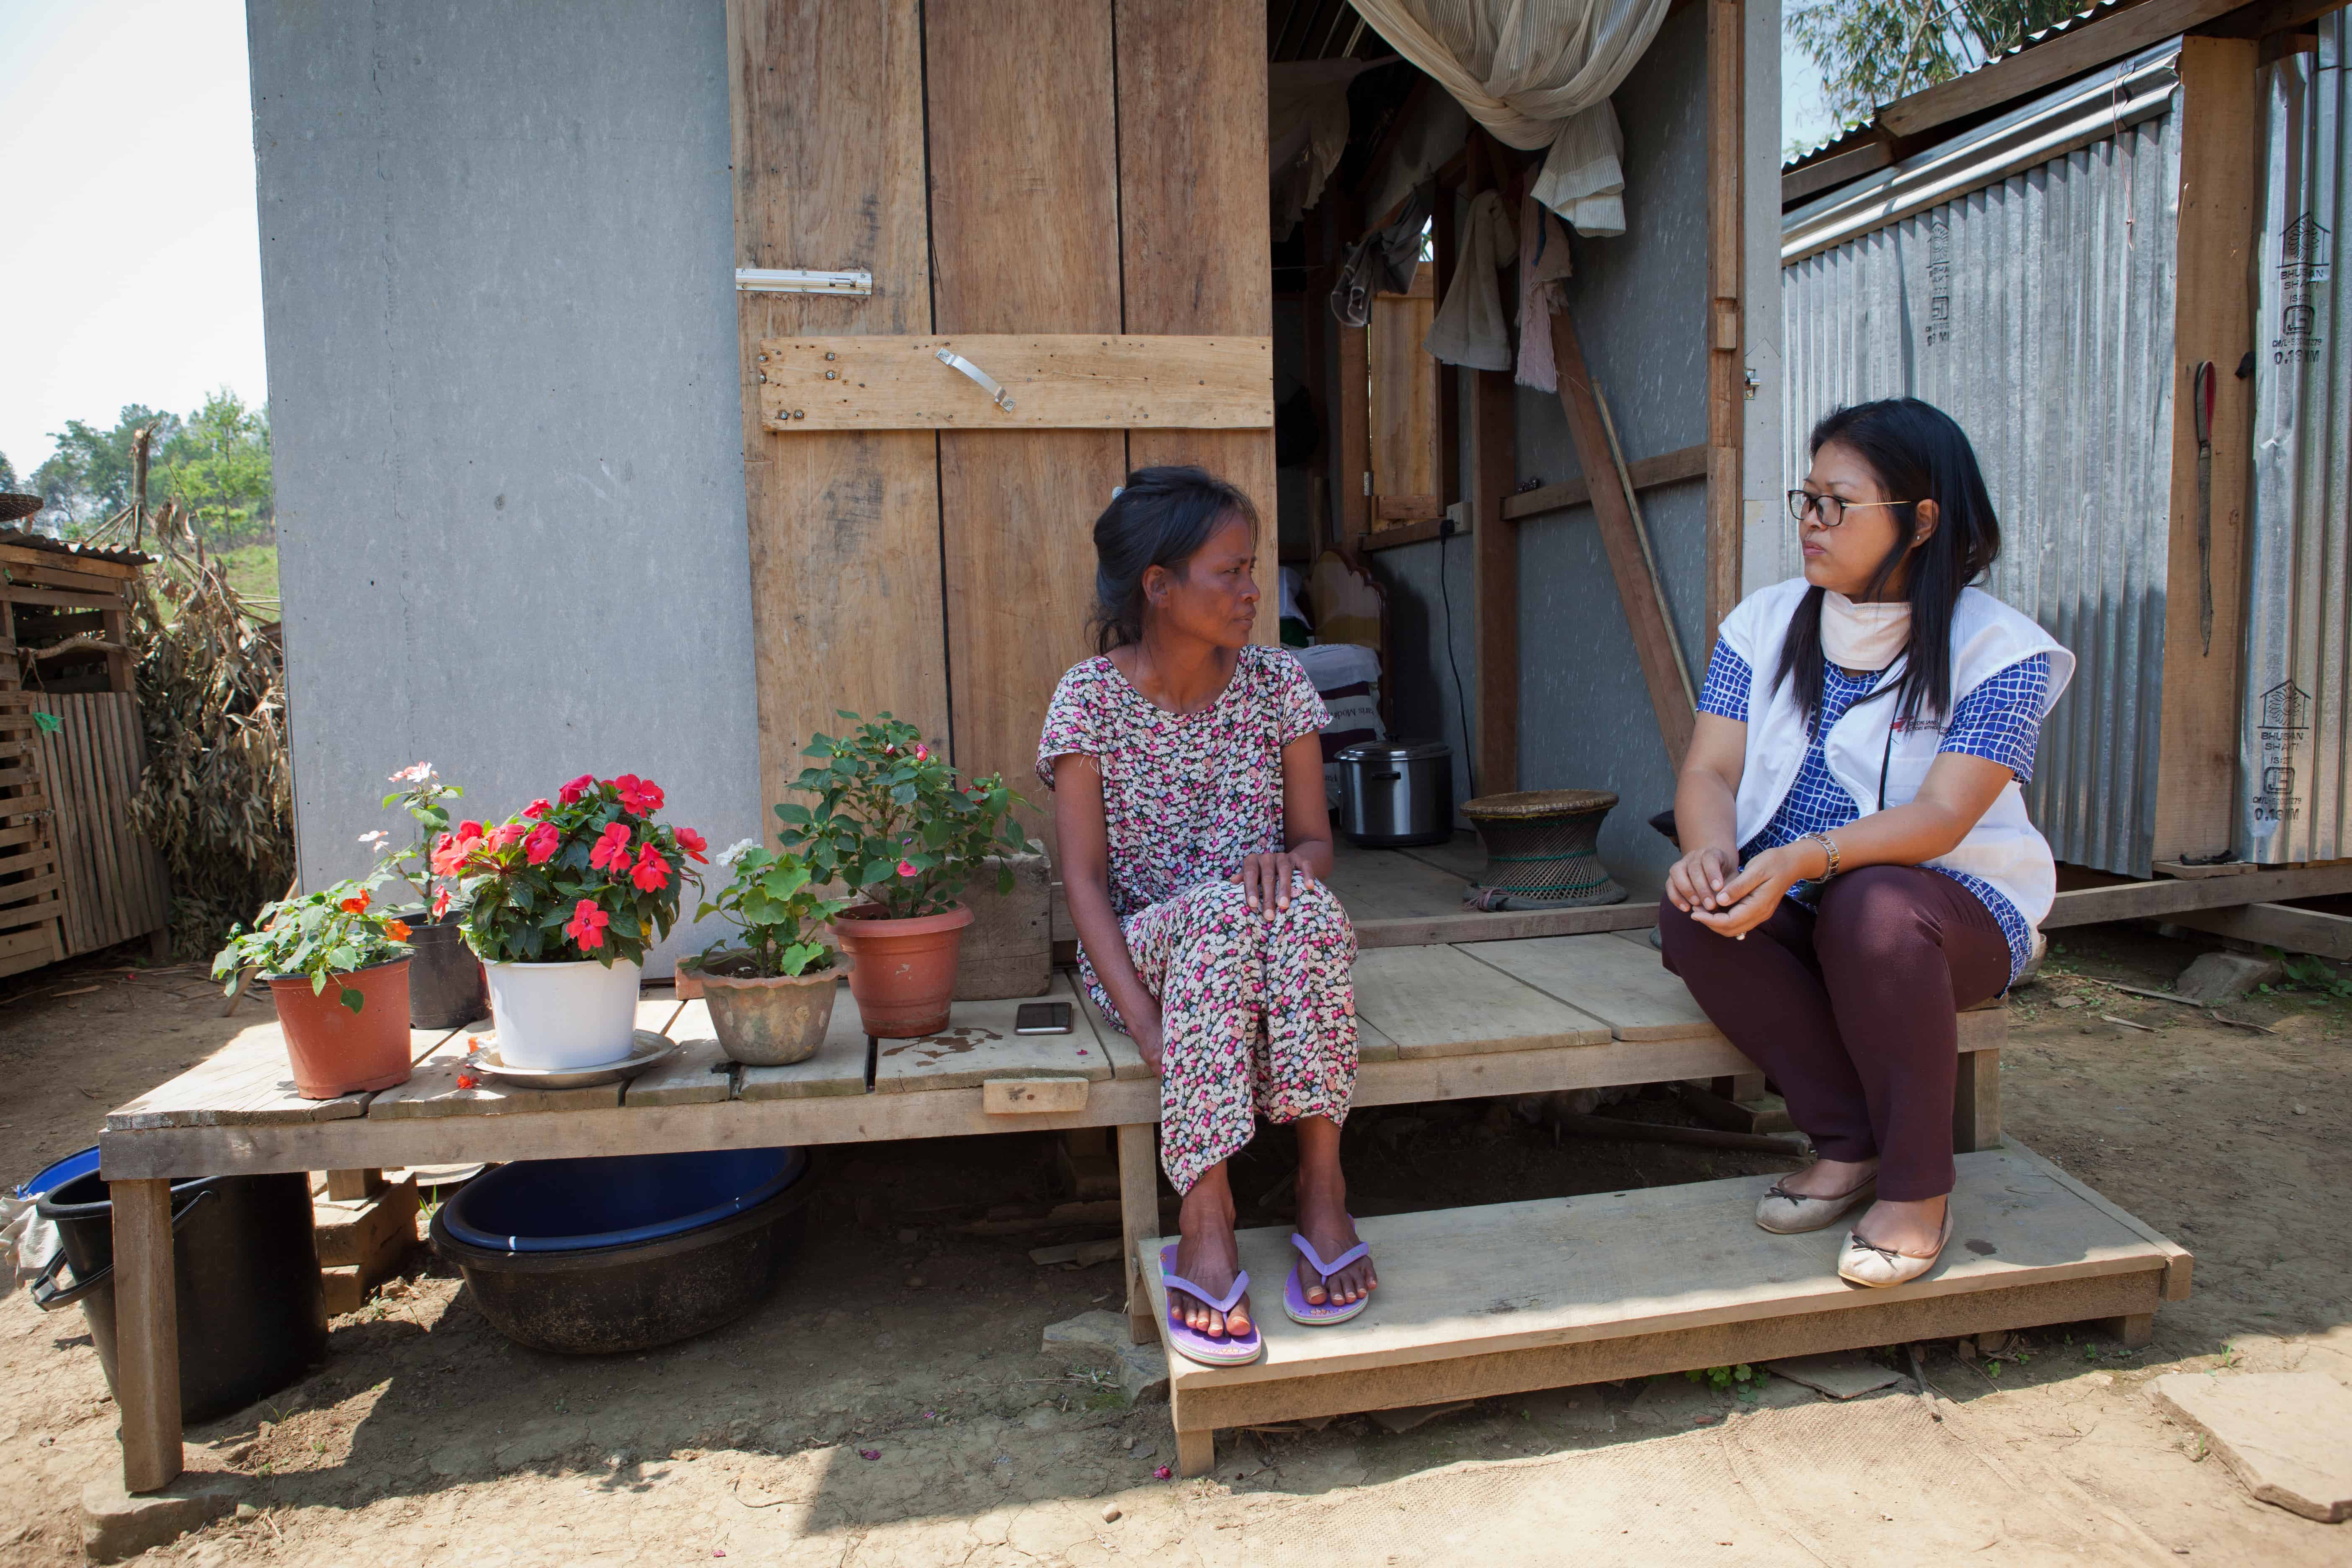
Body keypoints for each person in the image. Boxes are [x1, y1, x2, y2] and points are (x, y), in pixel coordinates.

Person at [1658, 398, 2073, 1288]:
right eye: (1806, 499)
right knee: (1694, 910)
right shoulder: (1764, 624)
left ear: (1922, 521)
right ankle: (1847, 1145)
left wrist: (1806, 858)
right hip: (1803, 894)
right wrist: (1706, 853)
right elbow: (1710, 773)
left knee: (1873, 905)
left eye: (1836, 503)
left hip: (1946, 916)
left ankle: (1919, 1186)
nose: (1810, 523)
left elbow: (1942, 821)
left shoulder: (2000, 651)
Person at [1038, 465, 1375, 1366]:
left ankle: (1322, 1186)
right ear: (1159, 586)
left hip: (1264, 949)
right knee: (1229, 918)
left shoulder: (1279, 685)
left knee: (1294, 904)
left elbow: (1315, 847)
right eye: (1230, 571)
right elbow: (1084, 884)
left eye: (1253, 567)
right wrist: (1148, 1023)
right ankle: (1207, 1208)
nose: (1252, 590)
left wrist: (1286, 864)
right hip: (1148, 957)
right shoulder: (1090, 701)